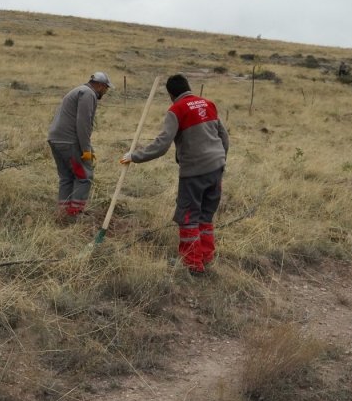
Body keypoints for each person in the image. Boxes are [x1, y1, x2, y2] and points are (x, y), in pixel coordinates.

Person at [120, 74, 229, 275]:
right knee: (205, 215)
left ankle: (192, 265)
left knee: (188, 217)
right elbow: (224, 136)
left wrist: (134, 156)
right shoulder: (208, 104)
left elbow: (161, 145)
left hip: (194, 172)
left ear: (171, 94)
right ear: (188, 87)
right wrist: (220, 160)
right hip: (216, 168)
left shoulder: (176, 110)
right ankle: (206, 257)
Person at [47, 72, 112, 219]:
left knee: (66, 177)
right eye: (106, 88)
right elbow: (83, 123)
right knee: (84, 176)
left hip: (56, 139)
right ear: (101, 86)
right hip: (70, 142)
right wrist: (86, 150)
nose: (106, 92)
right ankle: (74, 214)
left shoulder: (78, 90)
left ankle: (62, 213)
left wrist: (89, 147)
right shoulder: (88, 94)